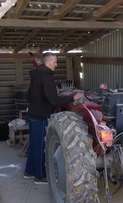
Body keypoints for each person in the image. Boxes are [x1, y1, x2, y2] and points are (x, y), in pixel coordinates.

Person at [23, 52, 84, 185]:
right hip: (40, 116)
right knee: (40, 146)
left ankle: (29, 171)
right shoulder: (47, 78)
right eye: (54, 62)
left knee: (34, 144)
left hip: (33, 114)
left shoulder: (36, 75)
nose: (56, 65)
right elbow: (54, 100)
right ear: (47, 62)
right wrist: (73, 98)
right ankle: (39, 176)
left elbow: (29, 96)